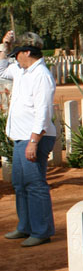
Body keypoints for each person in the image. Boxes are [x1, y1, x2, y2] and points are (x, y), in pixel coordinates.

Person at [0, 31, 57, 247]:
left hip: (34, 138)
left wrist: (34, 141)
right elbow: (1, 71)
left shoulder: (41, 75)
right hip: (20, 137)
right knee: (20, 184)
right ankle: (25, 226)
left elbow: (43, 111)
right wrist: (5, 46)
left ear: (27, 52)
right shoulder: (22, 70)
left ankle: (42, 231)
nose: (14, 58)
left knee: (34, 184)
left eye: (16, 54)